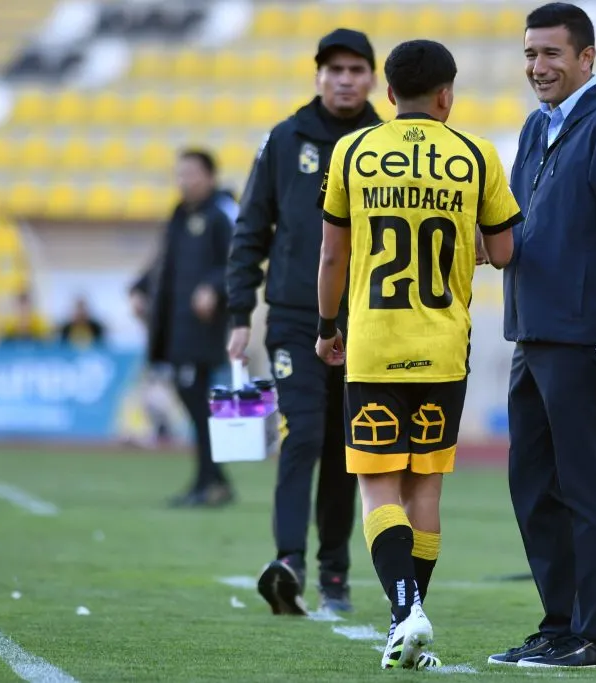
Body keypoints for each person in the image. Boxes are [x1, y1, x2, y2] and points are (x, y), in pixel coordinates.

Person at [315, 39, 518, 670]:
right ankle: (408, 619)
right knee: (423, 487)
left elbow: (332, 256)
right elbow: (505, 251)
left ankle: (405, 615)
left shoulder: (353, 150)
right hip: (443, 348)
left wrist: (327, 326)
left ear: (387, 91)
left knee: (377, 489)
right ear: (446, 95)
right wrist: (468, 249)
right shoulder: (475, 154)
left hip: (375, 344)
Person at [490, 3, 596, 670]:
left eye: (552, 54)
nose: (538, 67)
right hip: (532, 334)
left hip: (588, 340)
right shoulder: (538, 128)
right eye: (531, 54)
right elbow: (517, 229)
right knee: (533, 485)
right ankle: (560, 623)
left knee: (587, 488)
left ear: (587, 58)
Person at [226, 28, 381, 615]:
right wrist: (240, 311)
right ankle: (288, 560)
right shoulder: (285, 140)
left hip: (366, 317)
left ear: (372, 79)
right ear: (318, 75)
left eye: (356, 70)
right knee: (303, 435)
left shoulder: (383, 143)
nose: (345, 79)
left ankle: (334, 572)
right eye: (335, 69)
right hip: (294, 316)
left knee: (348, 447)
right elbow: (251, 228)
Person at [130, 149, 234, 508]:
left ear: (209, 176)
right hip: (174, 325)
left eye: (191, 173)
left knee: (198, 403)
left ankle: (209, 482)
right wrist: (141, 287)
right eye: (180, 174)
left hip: (202, 327)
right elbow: (164, 261)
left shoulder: (220, 215)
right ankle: (213, 479)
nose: (184, 180)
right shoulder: (179, 214)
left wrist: (213, 288)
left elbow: (237, 260)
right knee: (194, 403)